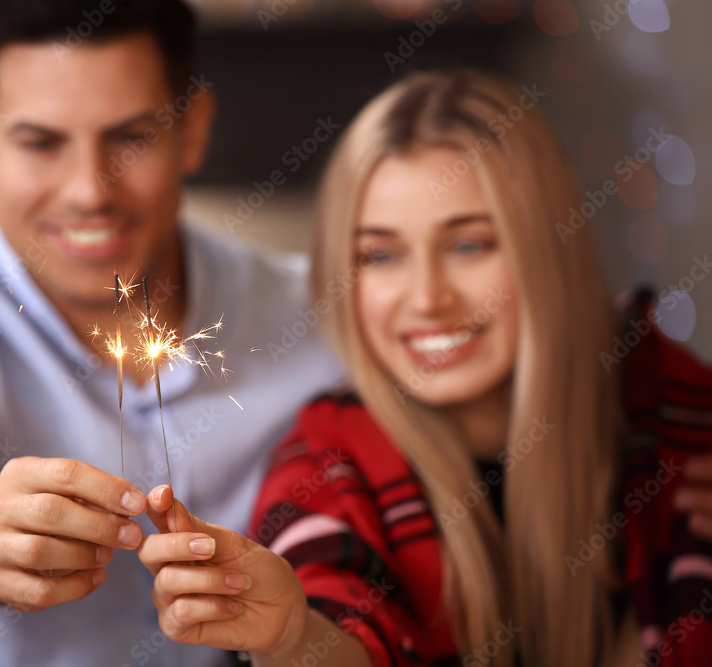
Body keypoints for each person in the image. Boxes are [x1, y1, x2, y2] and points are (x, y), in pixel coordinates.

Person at [0, 1, 343, 665]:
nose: (88, 192)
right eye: (41, 142)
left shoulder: (327, 318)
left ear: (193, 129)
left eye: (130, 136)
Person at [138, 70, 712, 667]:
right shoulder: (324, 461)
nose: (427, 298)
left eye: (468, 245)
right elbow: (338, 622)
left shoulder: (672, 403)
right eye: (380, 255)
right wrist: (294, 639)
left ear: (550, 245)